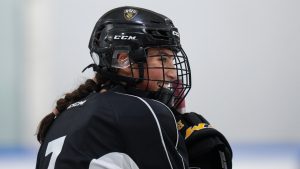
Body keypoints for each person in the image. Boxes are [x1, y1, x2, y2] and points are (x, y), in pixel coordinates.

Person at [35, 6, 232, 169]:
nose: (173, 73)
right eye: (162, 58)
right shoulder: (144, 111)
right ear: (123, 60)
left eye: (172, 59)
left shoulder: (62, 116)